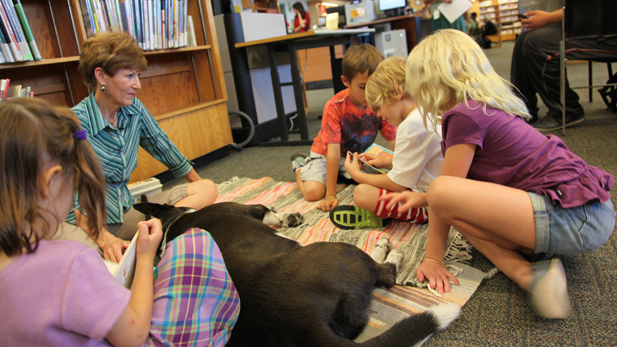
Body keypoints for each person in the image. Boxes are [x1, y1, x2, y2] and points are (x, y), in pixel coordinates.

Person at [381, 29, 615, 319]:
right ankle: (530, 275)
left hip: (575, 216)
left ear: (429, 81)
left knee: (443, 192)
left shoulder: (463, 115)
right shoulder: (485, 106)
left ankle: (527, 272)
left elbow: (446, 192)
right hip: (586, 213)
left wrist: (432, 257)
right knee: (459, 214)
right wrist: (425, 199)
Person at [0, 98, 240, 346]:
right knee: (195, 243)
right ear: (50, 181)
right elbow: (132, 336)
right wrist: (145, 258)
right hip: (133, 335)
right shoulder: (71, 261)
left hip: (125, 216)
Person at [66, 31, 218, 262]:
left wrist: (205, 195)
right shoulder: (73, 123)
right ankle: (143, 242)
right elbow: (64, 200)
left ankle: (150, 234)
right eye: (129, 76)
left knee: (207, 188)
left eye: (138, 75)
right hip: (90, 226)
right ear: (101, 76)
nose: (138, 84)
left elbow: (164, 148)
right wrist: (105, 239)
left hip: (127, 211)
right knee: (82, 261)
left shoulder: (133, 109)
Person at [328, 56, 443, 230]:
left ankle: (380, 216)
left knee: (361, 193)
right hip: (440, 194)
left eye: (378, 107)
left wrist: (357, 175)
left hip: (426, 206)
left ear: (397, 93)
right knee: (376, 180)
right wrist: (388, 162)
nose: (379, 115)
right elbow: (423, 161)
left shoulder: (410, 126)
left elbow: (397, 184)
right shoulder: (427, 112)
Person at [291, 44, 396, 212]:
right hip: (326, 155)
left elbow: (393, 140)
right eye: (363, 87)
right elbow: (332, 152)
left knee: (384, 183)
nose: (371, 93)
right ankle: (300, 167)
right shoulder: (334, 107)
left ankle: (341, 175)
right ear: (345, 81)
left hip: (354, 157)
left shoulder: (379, 102)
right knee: (313, 192)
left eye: (376, 85)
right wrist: (331, 195)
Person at [511, 0, 617, 130]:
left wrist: (548, 18)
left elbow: (592, 10)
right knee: (523, 38)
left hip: (608, 35)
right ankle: (524, 110)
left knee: (536, 43)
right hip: (591, 26)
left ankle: (566, 110)